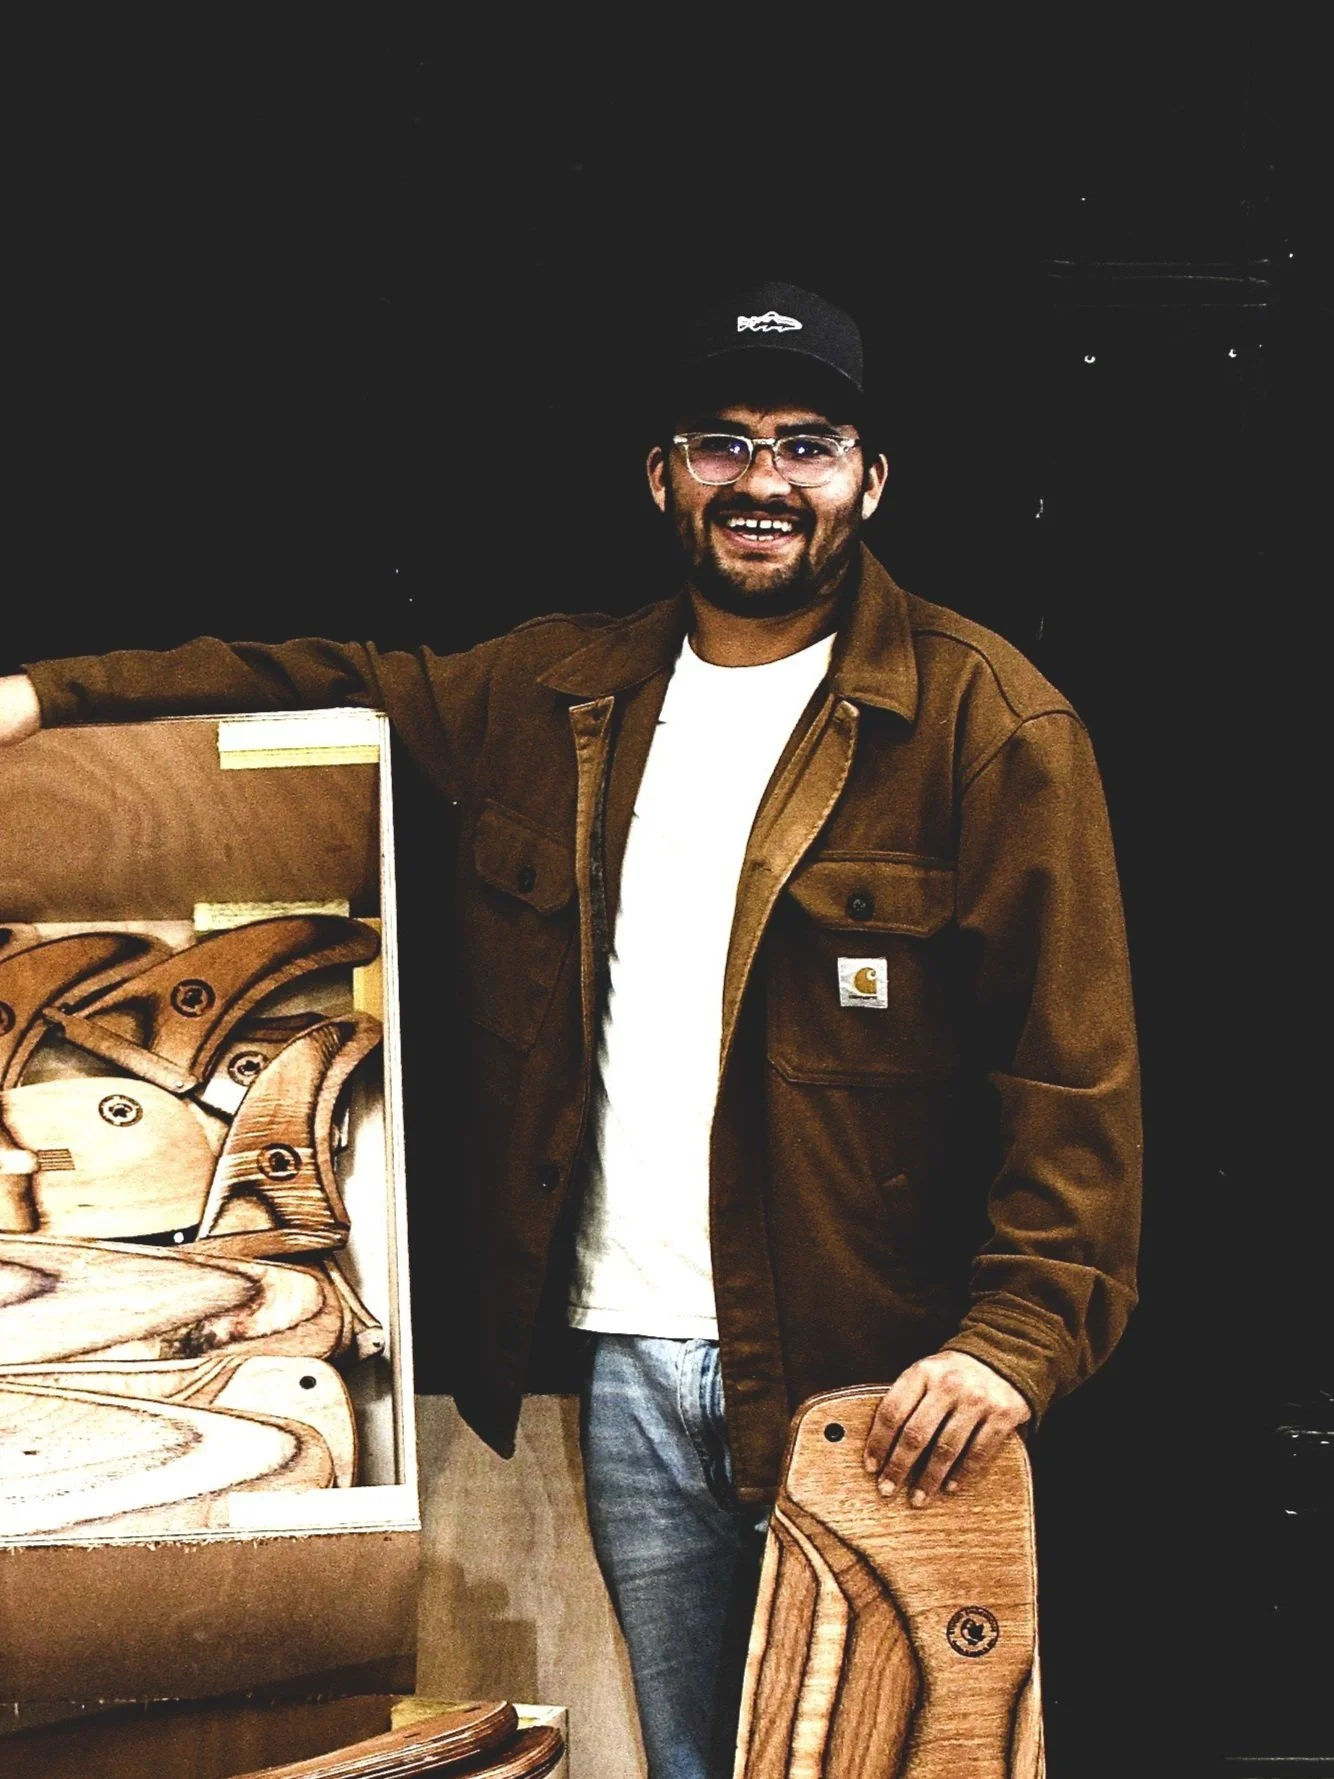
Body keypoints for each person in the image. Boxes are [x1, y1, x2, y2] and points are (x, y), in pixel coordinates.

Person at [0, 282, 1141, 1779]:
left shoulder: (985, 724)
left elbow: (1073, 1074)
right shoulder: (556, 692)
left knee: (888, 1760)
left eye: (805, 445)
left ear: (868, 479)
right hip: (628, 1361)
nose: (761, 482)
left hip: (871, 1373)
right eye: (721, 444)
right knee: (687, 1756)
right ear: (662, 475)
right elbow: (319, 682)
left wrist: (1013, 1342)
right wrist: (38, 691)